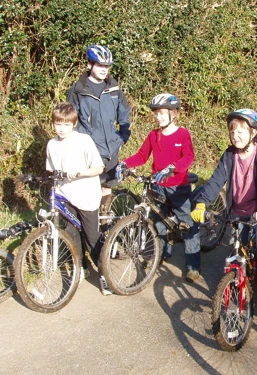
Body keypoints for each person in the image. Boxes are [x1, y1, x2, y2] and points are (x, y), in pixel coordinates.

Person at [190, 109, 257, 307]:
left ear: (253, 133)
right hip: (237, 210)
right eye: (232, 131)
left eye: (241, 131)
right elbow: (215, 181)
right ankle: (234, 281)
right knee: (234, 247)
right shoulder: (229, 155)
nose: (235, 135)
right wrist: (202, 202)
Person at [116, 93, 201, 282]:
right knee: (159, 223)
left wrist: (173, 168)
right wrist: (124, 164)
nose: (159, 117)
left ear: (174, 113)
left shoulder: (182, 134)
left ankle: (193, 266)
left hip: (178, 187)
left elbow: (188, 157)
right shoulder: (154, 135)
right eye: (156, 113)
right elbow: (141, 156)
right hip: (158, 186)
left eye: (162, 113)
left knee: (187, 225)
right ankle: (162, 254)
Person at [46, 102, 112, 296]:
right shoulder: (52, 144)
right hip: (65, 195)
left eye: (66, 124)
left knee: (92, 237)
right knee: (72, 235)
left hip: (86, 195)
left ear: (74, 124)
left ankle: (104, 274)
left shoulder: (83, 141)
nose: (61, 128)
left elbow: (99, 168)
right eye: (58, 124)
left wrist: (81, 172)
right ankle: (80, 268)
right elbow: (51, 170)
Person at [66, 44, 131, 210]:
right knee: (90, 193)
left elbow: (124, 113)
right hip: (91, 151)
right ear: (90, 65)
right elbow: (71, 120)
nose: (104, 69)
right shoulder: (77, 91)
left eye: (107, 66)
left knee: (107, 189)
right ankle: (92, 231)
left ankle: (106, 227)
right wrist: (83, 143)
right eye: (100, 65)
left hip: (112, 149)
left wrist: (122, 137)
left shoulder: (114, 88)